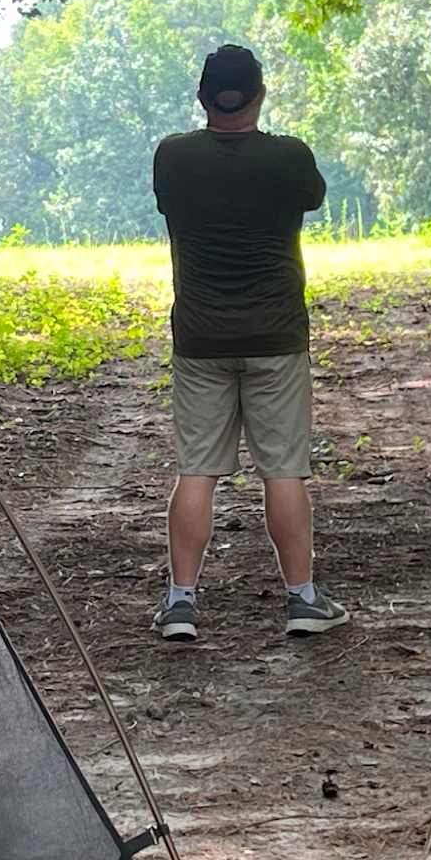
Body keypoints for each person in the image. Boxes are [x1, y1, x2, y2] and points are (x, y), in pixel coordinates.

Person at [149, 42, 343, 640]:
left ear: (203, 99)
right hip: (277, 336)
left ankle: (181, 603)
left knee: (197, 471)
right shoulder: (288, 159)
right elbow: (314, 197)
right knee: (284, 471)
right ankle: (302, 599)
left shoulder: (173, 158)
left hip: (201, 337)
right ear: (260, 95)